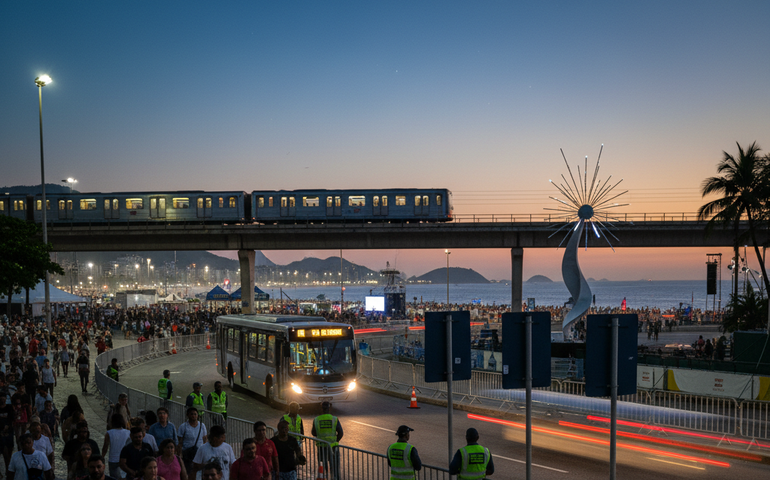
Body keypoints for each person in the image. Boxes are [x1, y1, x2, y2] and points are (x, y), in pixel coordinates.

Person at [311, 402, 342, 480]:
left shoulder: (317, 419)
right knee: (334, 467)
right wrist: (335, 441)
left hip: (321, 448)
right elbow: (341, 433)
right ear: (329, 408)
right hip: (333, 448)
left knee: (322, 468)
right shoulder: (334, 419)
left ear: (320, 409)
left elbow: (313, 433)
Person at [177, 408, 207, 475]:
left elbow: (205, 439)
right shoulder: (183, 426)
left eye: (195, 414)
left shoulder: (202, 426)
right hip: (187, 453)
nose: (193, 416)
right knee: (188, 471)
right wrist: (179, 455)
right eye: (191, 414)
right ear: (188, 415)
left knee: (199, 471)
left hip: (199, 452)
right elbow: (180, 442)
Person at [101, 414, 130, 479]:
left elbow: (105, 447)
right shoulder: (128, 433)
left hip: (113, 459)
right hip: (124, 459)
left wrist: (102, 456)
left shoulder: (109, 433)